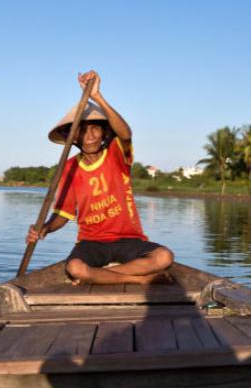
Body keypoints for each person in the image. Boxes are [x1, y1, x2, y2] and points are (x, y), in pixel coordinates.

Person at [26, 70, 173, 285]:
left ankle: (103, 275)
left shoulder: (115, 154)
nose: (90, 136)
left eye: (95, 129)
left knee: (164, 256)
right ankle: (138, 280)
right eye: (83, 131)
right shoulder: (69, 167)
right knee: (75, 267)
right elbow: (64, 214)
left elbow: (126, 133)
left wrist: (97, 96)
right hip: (92, 242)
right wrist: (44, 229)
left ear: (104, 133)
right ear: (73, 136)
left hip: (128, 239)